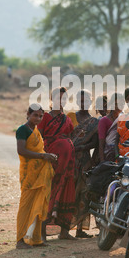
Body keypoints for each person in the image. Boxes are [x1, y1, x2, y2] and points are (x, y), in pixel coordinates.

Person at [15, 104, 57, 249]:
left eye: (40, 116)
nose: (38, 118)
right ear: (28, 114)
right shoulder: (22, 130)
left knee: (38, 203)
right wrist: (43, 156)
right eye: (35, 115)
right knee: (26, 205)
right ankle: (20, 240)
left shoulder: (36, 130)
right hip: (28, 174)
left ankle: (35, 238)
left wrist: (47, 157)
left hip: (39, 173)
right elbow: (21, 151)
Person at [38, 87, 76, 240]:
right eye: (58, 98)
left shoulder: (67, 119)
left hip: (68, 165)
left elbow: (70, 135)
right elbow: (39, 137)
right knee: (49, 193)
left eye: (64, 98)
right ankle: (41, 233)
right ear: (52, 99)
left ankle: (65, 231)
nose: (61, 101)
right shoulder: (45, 117)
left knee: (67, 191)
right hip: (51, 161)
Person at [68, 90, 99, 238]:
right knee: (70, 192)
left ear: (90, 102)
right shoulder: (70, 117)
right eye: (80, 100)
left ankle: (80, 229)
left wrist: (82, 147)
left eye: (86, 100)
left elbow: (95, 142)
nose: (83, 103)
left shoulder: (94, 121)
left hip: (85, 160)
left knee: (84, 193)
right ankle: (64, 228)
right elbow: (65, 136)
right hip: (70, 159)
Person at [98, 92, 125, 162]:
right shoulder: (104, 121)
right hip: (109, 154)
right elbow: (101, 143)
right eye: (116, 104)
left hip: (122, 153)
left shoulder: (125, 118)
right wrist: (102, 162)